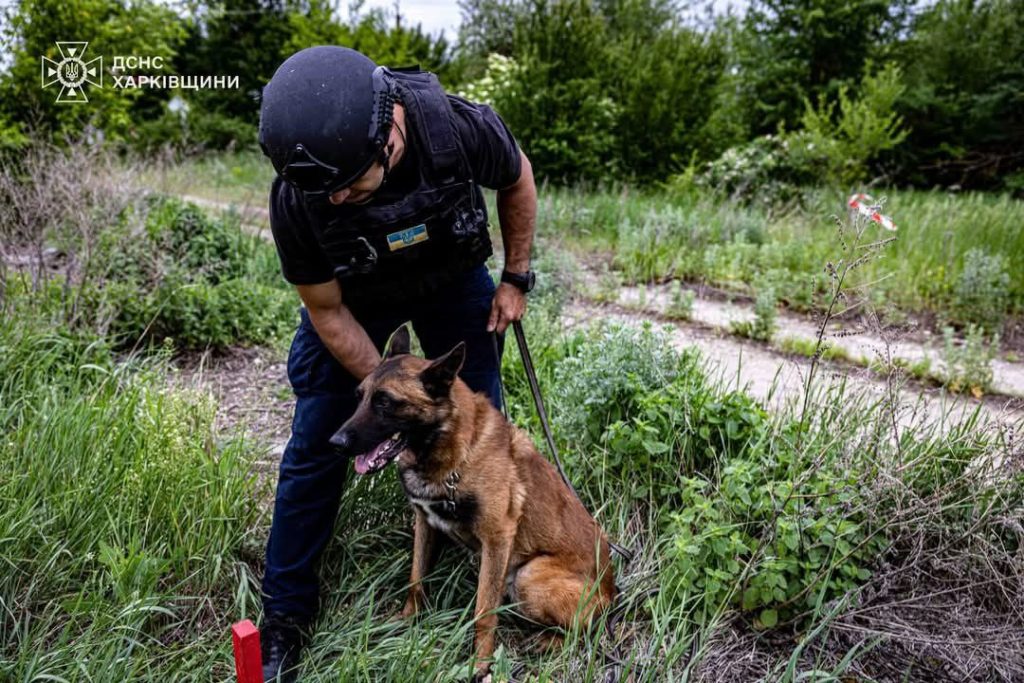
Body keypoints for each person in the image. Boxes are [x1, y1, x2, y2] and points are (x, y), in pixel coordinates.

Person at [256, 45, 537, 682]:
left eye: (352, 184)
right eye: (324, 192)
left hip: (450, 281)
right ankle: (286, 615)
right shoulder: (300, 198)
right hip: (356, 301)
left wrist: (516, 277)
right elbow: (327, 312)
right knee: (319, 440)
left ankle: (482, 564)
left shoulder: (460, 128)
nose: (338, 201)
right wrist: (384, 401)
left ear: (391, 133)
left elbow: (517, 177)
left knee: (475, 434)